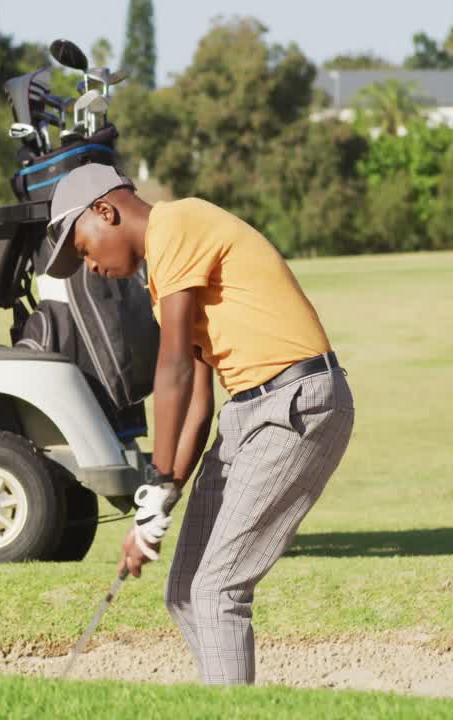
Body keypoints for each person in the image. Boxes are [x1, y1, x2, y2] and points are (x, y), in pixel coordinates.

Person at [41, 164, 354, 685]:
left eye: (83, 249)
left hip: (298, 403)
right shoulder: (165, 280)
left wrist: (160, 479)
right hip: (250, 413)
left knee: (216, 592)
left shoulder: (178, 224)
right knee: (186, 591)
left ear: (104, 211)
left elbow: (175, 371)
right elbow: (197, 407)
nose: (88, 266)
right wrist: (157, 507)